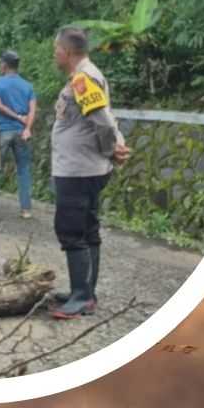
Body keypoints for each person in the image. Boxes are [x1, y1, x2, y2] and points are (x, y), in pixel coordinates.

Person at [47, 27, 131, 320]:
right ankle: (83, 292)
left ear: (67, 52)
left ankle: (82, 297)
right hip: (83, 167)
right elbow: (106, 116)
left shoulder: (83, 79)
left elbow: (104, 122)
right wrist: (116, 147)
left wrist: (112, 149)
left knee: (72, 230)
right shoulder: (86, 75)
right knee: (86, 229)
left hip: (79, 170)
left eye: (56, 49)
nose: (54, 54)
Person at [0, 50, 36, 220]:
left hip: (3, 131)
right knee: (23, 169)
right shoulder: (28, 86)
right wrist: (27, 127)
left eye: (0, 63)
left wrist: (16, 117)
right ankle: (26, 210)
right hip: (21, 132)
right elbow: (33, 109)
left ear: (4, 65)